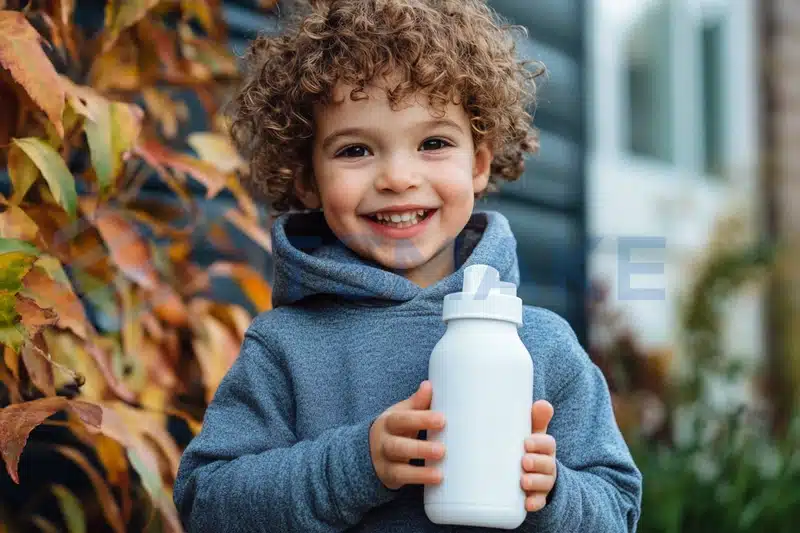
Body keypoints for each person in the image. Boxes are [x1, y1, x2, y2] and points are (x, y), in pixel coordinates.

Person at [173, 0, 642, 531]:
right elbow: (205, 503)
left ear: (479, 164)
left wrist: (552, 492)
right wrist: (355, 465)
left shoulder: (542, 346)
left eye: (433, 143)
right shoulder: (284, 348)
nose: (398, 177)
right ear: (307, 179)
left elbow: (617, 510)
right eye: (355, 150)